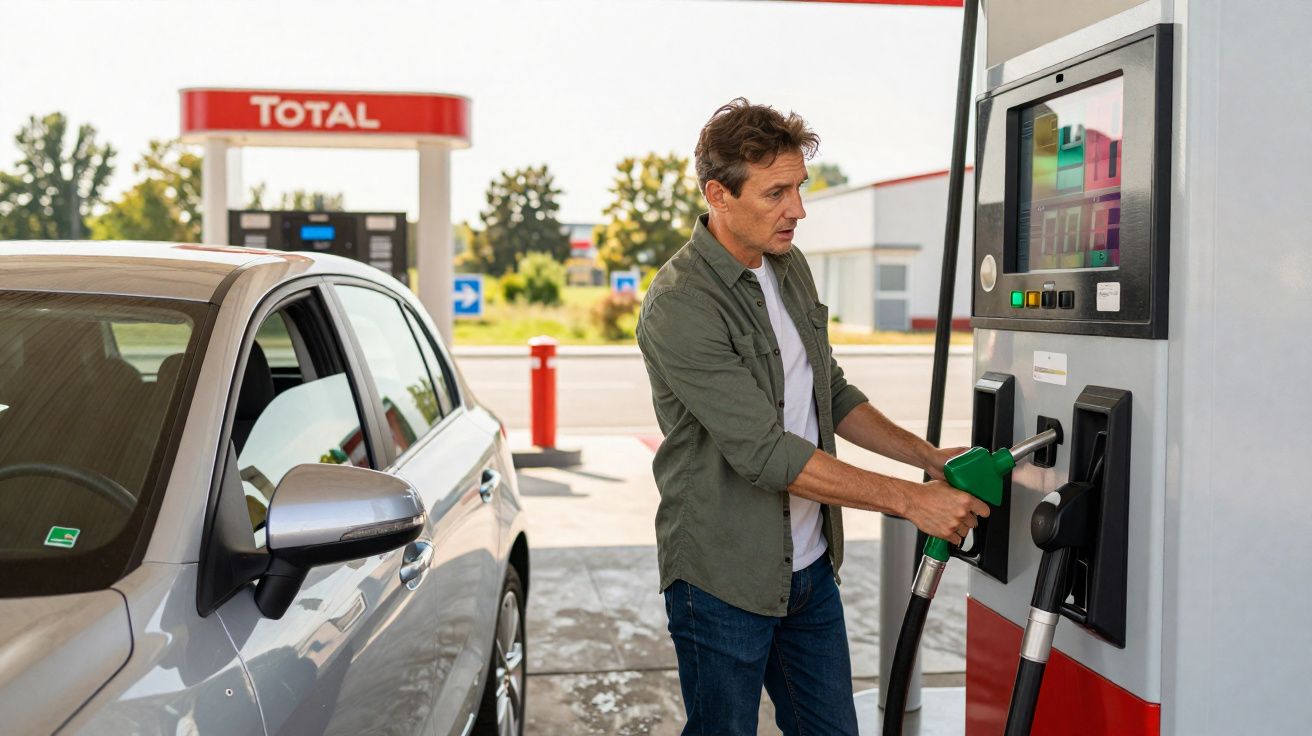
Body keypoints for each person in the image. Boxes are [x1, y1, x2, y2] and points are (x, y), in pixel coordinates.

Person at [635, 98, 988, 735]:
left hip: (809, 570)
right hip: (723, 578)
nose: (798, 209)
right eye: (776, 193)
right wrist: (912, 501)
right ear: (719, 194)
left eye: (799, 187)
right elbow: (767, 454)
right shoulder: (681, 303)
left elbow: (831, 390)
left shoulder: (788, 266)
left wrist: (927, 457)